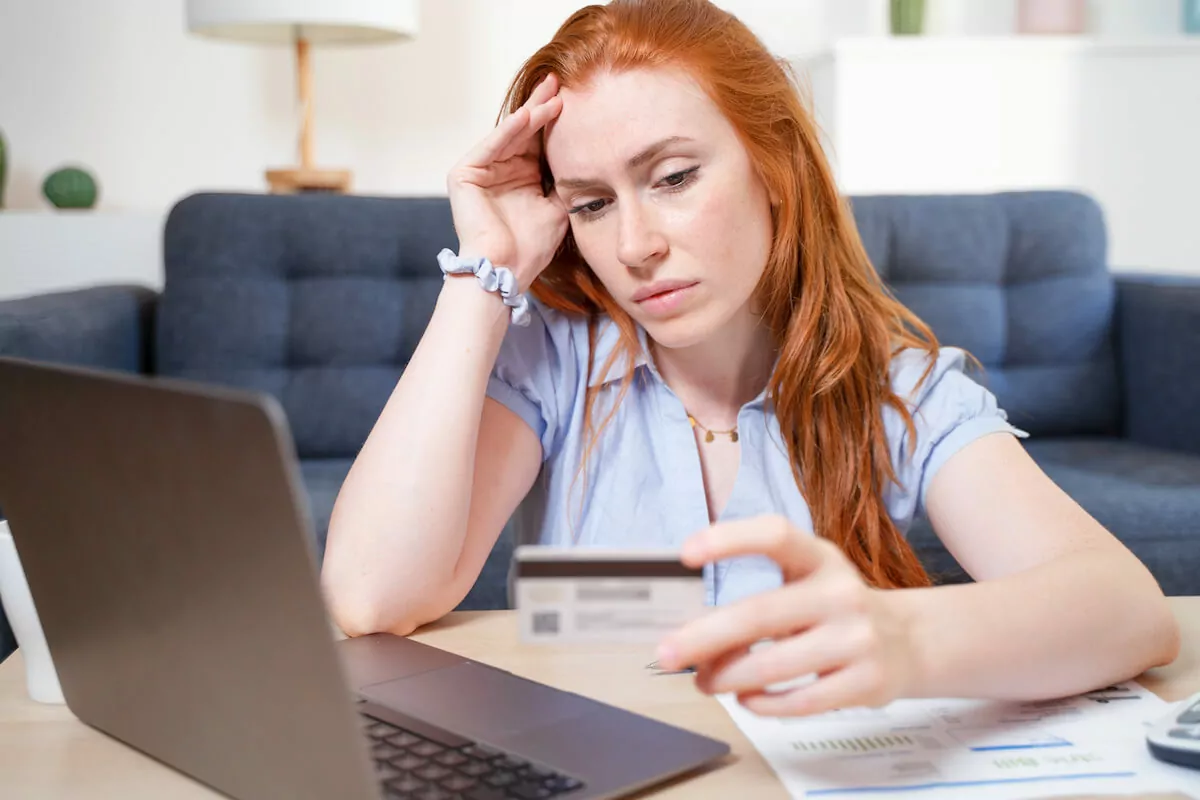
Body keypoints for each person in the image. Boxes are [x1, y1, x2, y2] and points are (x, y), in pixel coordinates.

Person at [321, 0, 1179, 717]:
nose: (635, 246)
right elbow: (368, 597)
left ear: (774, 167)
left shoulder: (898, 389)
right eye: (590, 202)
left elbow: (1127, 609)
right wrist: (487, 271)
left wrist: (906, 641)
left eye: (673, 177)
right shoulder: (556, 363)